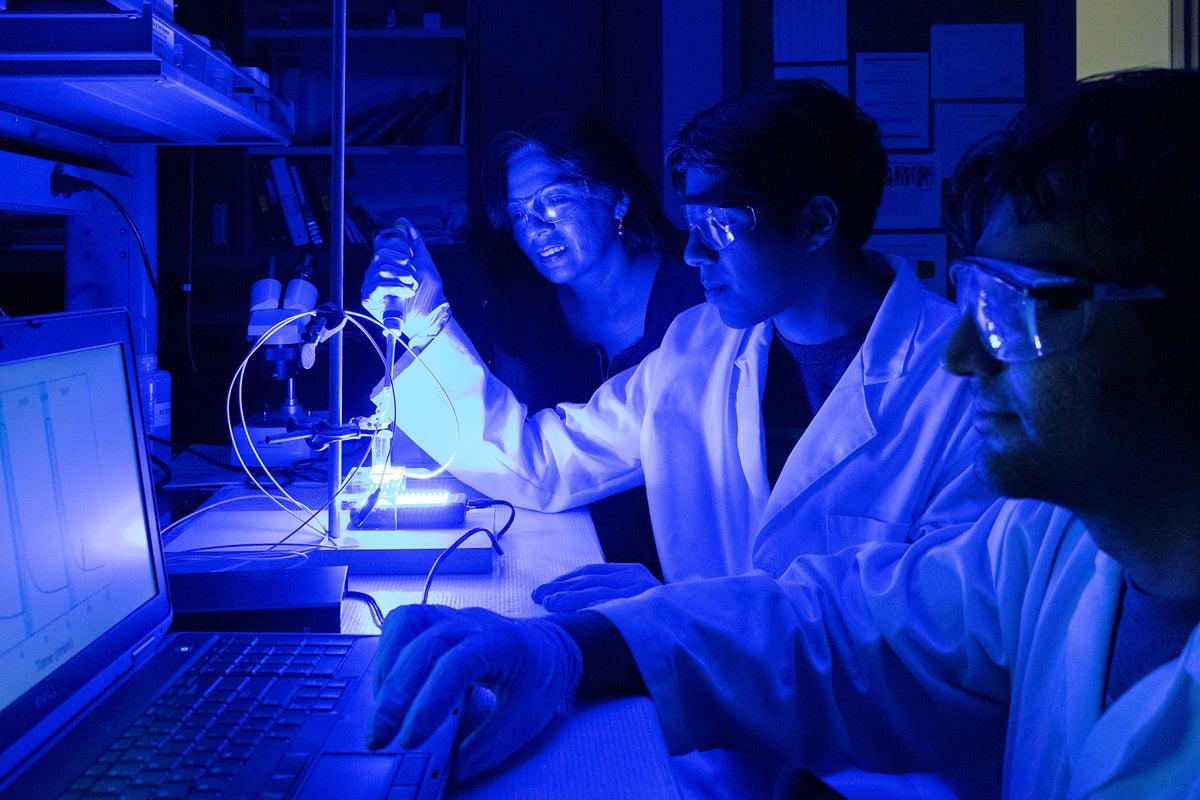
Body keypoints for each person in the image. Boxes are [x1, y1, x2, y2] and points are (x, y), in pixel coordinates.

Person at [366, 68, 1200, 797]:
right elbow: (841, 627)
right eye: (978, 295)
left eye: (1020, 307)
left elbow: (909, 694)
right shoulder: (1052, 544)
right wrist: (574, 646)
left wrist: (646, 618)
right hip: (728, 756)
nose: (964, 350)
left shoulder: (970, 422)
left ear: (814, 224)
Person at [362, 78, 992, 595]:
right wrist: (423, 320)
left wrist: (677, 612)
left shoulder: (964, 383)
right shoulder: (700, 345)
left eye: (716, 226)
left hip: (866, 750)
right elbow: (544, 465)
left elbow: (931, 631)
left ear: (815, 222)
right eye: (689, 223)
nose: (690, 253)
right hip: (709, 732)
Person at [476, 111, 704, 576]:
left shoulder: (700, 290)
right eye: (519, 213)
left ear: (617, 199)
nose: (535, 227)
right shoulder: (522, 304)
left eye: (555, 200)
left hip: (690, 552)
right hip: (562, 541)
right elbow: (510, 439)